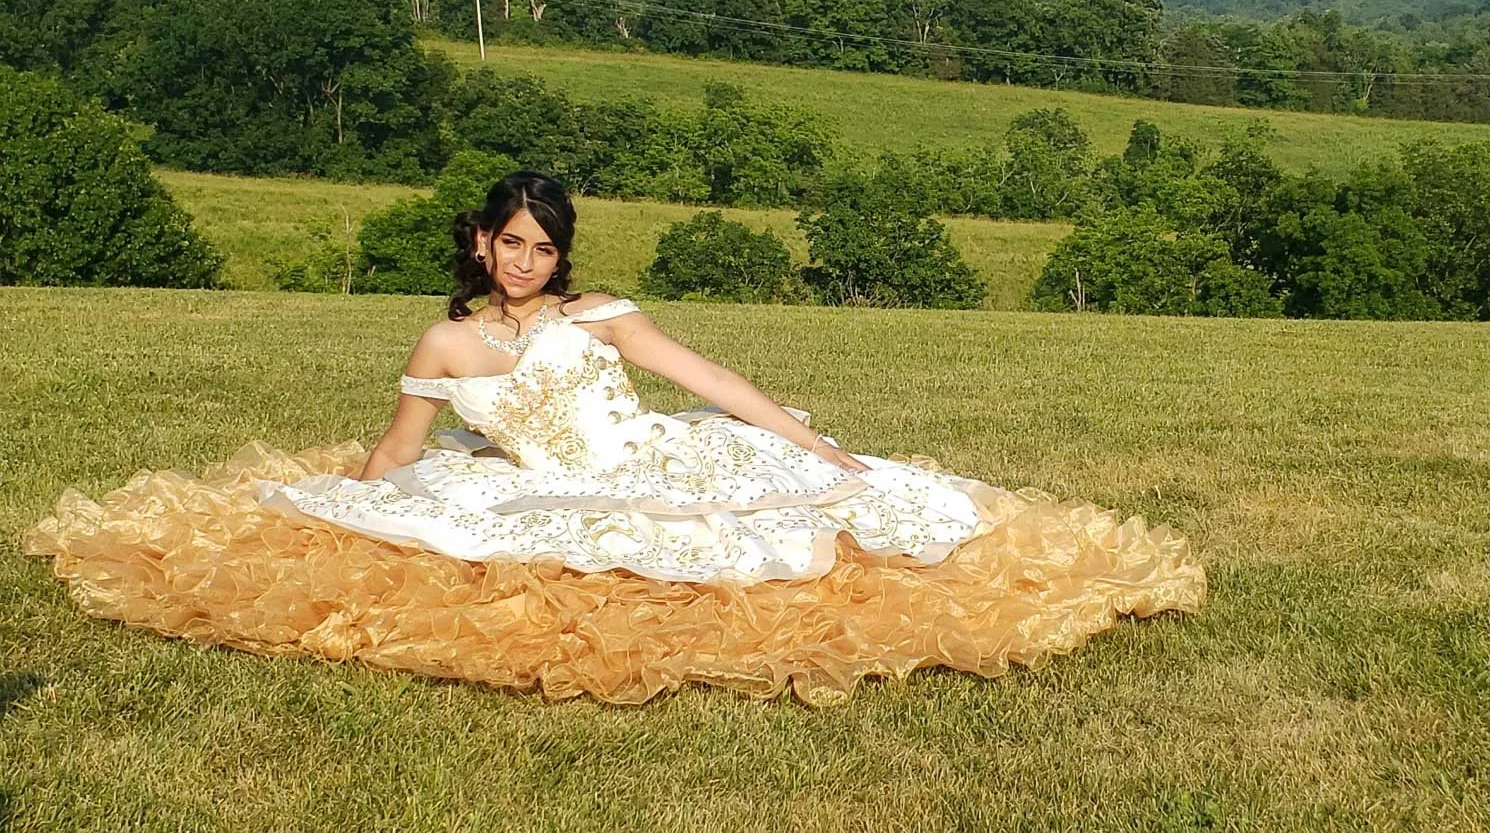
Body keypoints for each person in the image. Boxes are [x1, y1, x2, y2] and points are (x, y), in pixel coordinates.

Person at [26, 171, 1205, 705]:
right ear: (480, 243)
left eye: (544, 246)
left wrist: (816, 447)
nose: (527, 261)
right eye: (511, 243)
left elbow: (706, 378)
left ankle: (825, 480)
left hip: (656, 457)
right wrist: (352, 497)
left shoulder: (598, 313)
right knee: (466, 532)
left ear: (560, 254)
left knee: (814, 524)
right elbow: (397, 448)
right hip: (548, 483)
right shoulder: (443, 343)